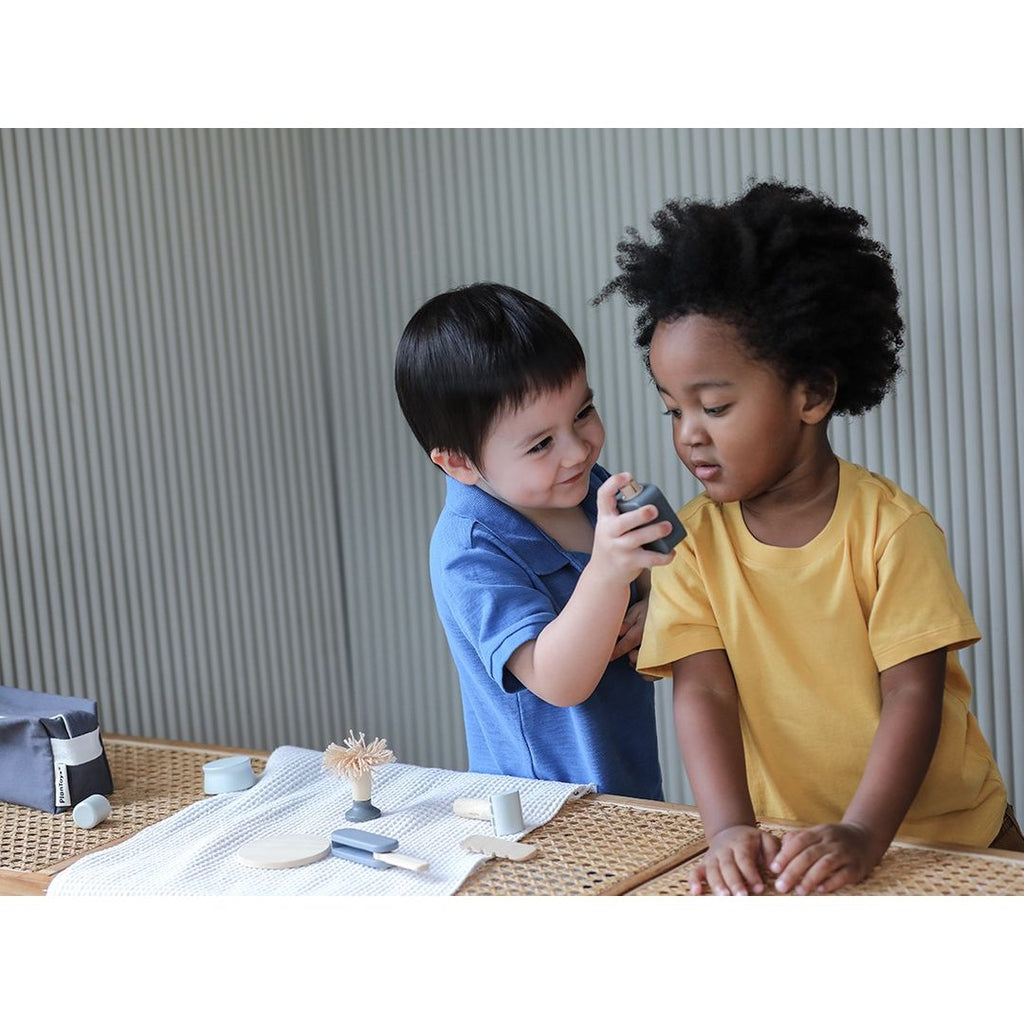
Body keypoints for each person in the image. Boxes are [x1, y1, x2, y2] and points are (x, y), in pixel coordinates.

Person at [597, 180, 1021, 894]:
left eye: (716, 405)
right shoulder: (693, 543)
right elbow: (704, 693)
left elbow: (912, 698)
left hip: (947, 841)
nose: (689, 433)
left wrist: (863, 832)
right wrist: (729, 828)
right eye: (674, 410)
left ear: (813, 395)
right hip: (793, 848)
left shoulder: (891, 530)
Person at [394, 282, 672, 800]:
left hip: (626, 787)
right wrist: (609, 573)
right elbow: (558, 681)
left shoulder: (586, 486)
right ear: (458, 462)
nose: (577, 451)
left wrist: (656, 605)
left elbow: (670, 570)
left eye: (583, 414)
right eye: (541, 443)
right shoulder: (469, 551)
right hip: (539, 809)